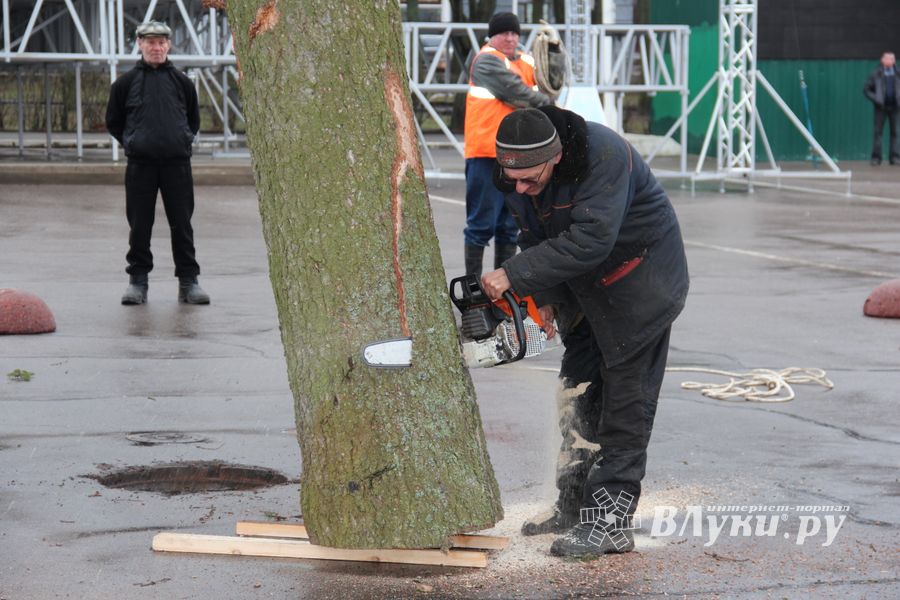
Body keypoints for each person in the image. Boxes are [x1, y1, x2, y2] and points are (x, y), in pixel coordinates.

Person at [481, 107, 689, 557]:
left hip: (641, 284)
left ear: (555, 156)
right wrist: (551, 294)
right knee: (576, 393)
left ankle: (611, 523)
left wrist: (515, 274)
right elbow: (534, 234)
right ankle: (573, 507)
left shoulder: (604, 155)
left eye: (529, 178)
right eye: (510, 177)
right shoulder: (517, 174)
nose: (518, 187)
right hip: (585, 289)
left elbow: (593, 238)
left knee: (623, 407)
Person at [105, 21, 210, 305]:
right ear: (139, 44)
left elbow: (193, 121)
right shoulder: (124, 84)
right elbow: (113, 122)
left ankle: (189, 282)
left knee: (182, 224)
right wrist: (133, 142)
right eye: (150, 42)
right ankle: (138, 282)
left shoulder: (182, 83)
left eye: (161, 42)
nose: (156, 47)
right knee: (140, 225)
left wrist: (182, 139)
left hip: (177, 165)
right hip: (141, 166)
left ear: (169, 45)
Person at [463, 12, 556, 278]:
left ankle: (501, 290)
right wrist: (548, 101)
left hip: (517, 157)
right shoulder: (486, 61)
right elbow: (518, 93)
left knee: (509, 225)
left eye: (514, 32)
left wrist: (554, 58)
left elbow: (550, 82)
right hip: (486, 154)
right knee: (481, 225)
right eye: (504, 32)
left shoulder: (526, 61)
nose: (510, 37)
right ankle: (474, 292)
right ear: (492, 36)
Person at [864, 51, 900, 166]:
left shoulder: (898, 73)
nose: (889, 60)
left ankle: (894, 158)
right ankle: (876, 158)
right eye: (887, 58)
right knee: (878, 133)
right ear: (882, 60)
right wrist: (877, 99)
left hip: (895, 108)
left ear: (894, 61)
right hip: (881, 108)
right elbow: (866, 89)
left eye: (891, 58)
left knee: (895, 133)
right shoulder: (876, 74)